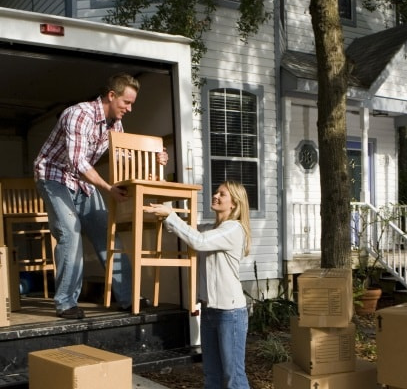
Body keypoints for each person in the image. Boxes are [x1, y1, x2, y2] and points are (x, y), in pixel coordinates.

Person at [33, 73, 167, 319]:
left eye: (132, 104)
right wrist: (108, 188)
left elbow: (124, 157)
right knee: (70, 232)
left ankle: (128, 298)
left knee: (109, 235)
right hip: (53, 177)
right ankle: (65, 303)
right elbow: (77, 162)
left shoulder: (115, 124)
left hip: (81, 182)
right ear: (111, 96)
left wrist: (155, 160)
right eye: (126, 102)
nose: (129, 108)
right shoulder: (78, 114)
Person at [145, 181, 252, 389]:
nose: (216, 196)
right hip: (209, 310)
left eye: (222, 194)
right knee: (211, 375)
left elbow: (199, 241)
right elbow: (183, 229)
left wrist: (171, 215)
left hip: (230, 312)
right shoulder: (210, 228)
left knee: (234, 377)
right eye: (216, 192)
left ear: (234, 203)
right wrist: (163, 199)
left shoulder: (234, 228)